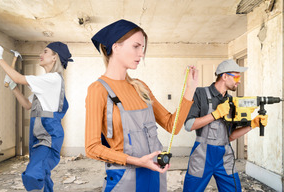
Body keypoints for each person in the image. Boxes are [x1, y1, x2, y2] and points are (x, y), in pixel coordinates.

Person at [85, 19, 198, 192]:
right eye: (136, 46)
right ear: (116, 47)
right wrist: (137, 161)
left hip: (154, 174)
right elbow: (92, 148)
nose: (141, 54)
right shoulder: (98, 89)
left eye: (143, 48)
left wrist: (190, 89)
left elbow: (171, 125)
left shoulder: (140, 86)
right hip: (124, 178)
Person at [0, 42, 73, 192]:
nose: (40, 55)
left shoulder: (53, 79)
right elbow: (27, 104)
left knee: (33, 174)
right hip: (38, 135)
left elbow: (19, 78)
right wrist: (13, 87)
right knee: (42, 174)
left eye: (45, 52)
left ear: (54, 57)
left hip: (49, 136)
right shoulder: (46, 84)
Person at [183, 59, 268, 192]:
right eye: (237, 76)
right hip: (202, 155)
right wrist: (215, 114)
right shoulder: (200, 93)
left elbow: (230, 137)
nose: (239, 81)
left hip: (225, 156)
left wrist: (253, 124)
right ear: (224, 76)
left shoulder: (231, 101)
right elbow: (188, 125)